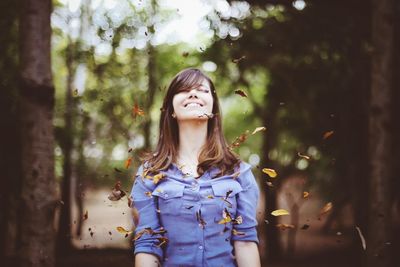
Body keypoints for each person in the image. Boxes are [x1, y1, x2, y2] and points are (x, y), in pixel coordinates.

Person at [130, 68, 261, 267]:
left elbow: (245, 242)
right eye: (183, 90)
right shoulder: (149, 174)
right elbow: (148, 245)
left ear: (213, 109)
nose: (193, 93)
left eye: (202, 90)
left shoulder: (238, 172)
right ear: (171, 110)